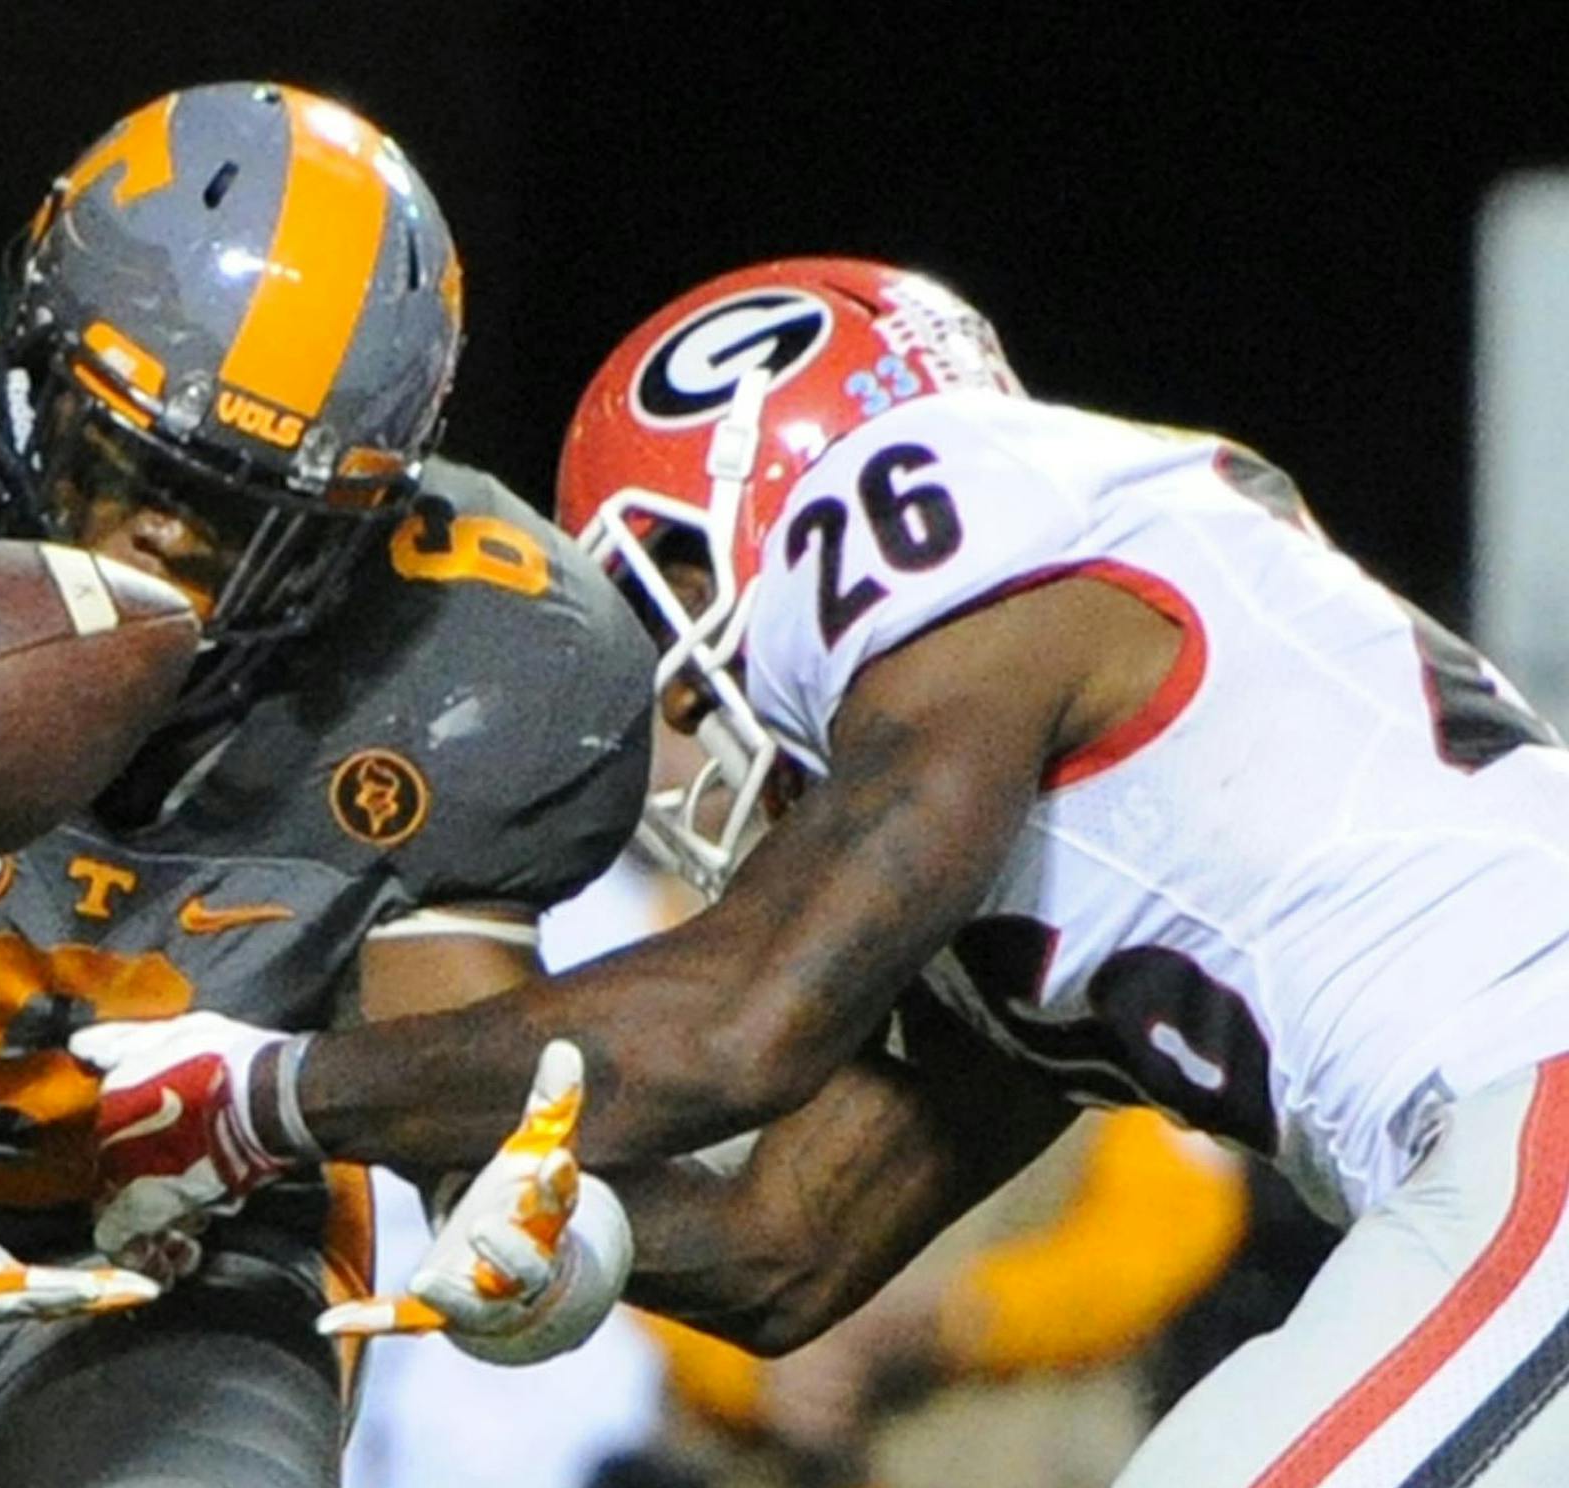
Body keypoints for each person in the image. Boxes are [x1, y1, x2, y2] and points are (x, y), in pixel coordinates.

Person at [76, 256, 1569, 1486]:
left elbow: (738, 1024)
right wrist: (567, 1239)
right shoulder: (1062, 826)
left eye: (672, 590)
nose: (671, 708)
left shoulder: (950, 497)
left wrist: (256, 1095)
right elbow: (783, 1252)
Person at [0, 81, 652, 1487]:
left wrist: (548, 1257)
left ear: (351, 534)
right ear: (23, 380)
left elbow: (469, 1105)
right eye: (117, 459)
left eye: (233, 512)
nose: (153, 532)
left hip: (197, 1274)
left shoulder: (486, 653)